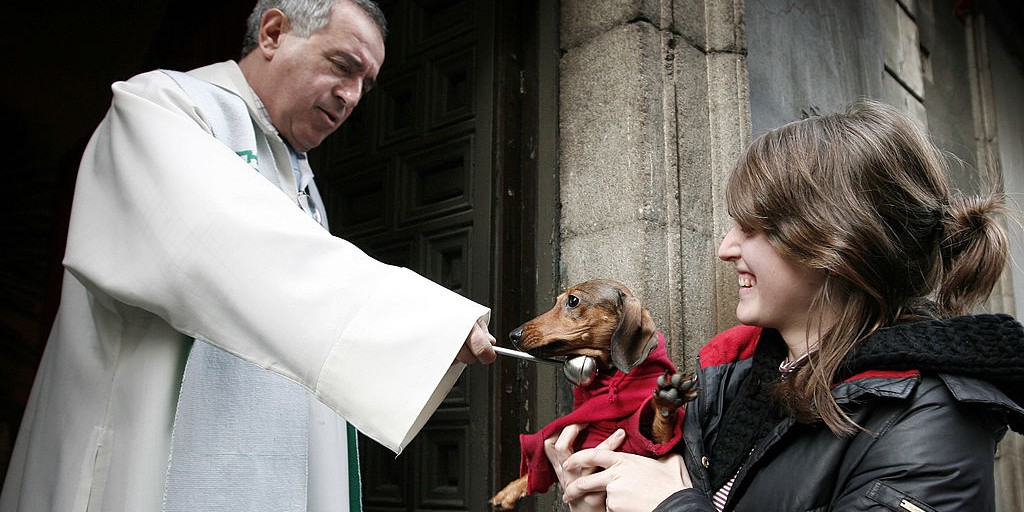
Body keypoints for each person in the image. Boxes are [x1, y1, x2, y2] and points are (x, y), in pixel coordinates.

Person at [0, 1, 497, 511]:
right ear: (274, 32)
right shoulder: (162, 105)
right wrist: (418, 325)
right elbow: (219, 241)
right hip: (143, 456)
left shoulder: (301, 178)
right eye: (343, 66)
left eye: (364, 85)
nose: (350, 96)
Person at [544, 99, 1024, 511]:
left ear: (836, 242)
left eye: (753, 227)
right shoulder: (730, 378)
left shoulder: (934, 425)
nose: (727, 248)